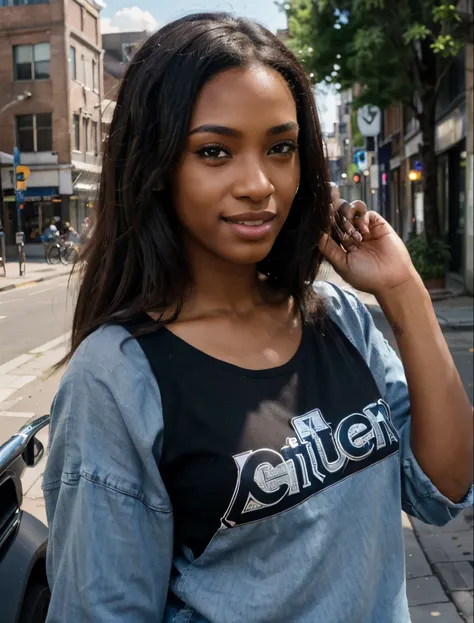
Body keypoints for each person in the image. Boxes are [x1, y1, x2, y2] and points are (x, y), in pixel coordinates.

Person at [43, 13, 473, 623]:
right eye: (214, 151)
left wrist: (404, 293)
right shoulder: (117, 379)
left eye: (280, 148)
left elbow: (443, 490)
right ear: (157, 166)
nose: (258, 184)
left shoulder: (341, 320)